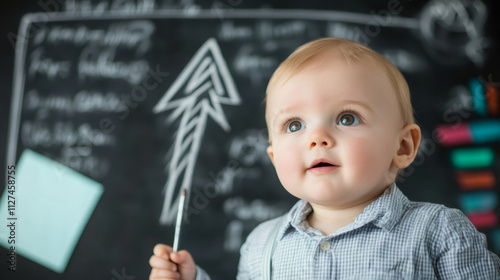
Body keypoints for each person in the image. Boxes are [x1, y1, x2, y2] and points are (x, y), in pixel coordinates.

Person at [149, 38, 500, 279]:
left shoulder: (438, 231)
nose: (317, 138)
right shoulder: (261, 243)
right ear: (273, 157)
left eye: (347, 118)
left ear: (403, 147)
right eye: (294, 124)